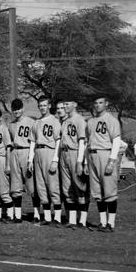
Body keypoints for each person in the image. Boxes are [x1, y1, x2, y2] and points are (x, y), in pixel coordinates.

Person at [85, 95, 122, 232]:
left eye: (101, 102)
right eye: (96, 103)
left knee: (109, 191)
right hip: (92, 155)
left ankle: (110, 223)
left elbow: (116, 141)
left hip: (105, 154)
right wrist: (85, 162)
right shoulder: (90, 122)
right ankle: (103, 222)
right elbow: (87, 142)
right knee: (97, 191)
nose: (98, 105)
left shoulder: (111, 120)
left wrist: (112, 162)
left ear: (106, 103)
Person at [28, 96, 62, 226]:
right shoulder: (36, 122)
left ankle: (57, 218)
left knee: (53, 186)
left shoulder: (55, 120)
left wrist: (55, 160)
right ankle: (47, 217)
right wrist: (30, 160)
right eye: (40, 105)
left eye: (44, 105)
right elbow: (32, 141)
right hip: (38, 152)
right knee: (41, 187)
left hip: (49, 151)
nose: (42, 107)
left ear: (49, 106)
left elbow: (58, 140)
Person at [60, 97, 88, 229]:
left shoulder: (80, 120)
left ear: (75, 104)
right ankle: (72, 220)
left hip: (75, 152)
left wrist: (79, 161)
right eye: (64, 103)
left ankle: (82, 220)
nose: (65, 105)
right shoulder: (65, 121)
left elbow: (82, 142)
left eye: (68, 103)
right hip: (64, 153)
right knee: (67, 188)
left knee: (79, 187)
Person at [8, 98, 36, 223]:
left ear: (22, 109)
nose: (16, 111)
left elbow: (34, 141)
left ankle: (36, 214)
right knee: (15, 186)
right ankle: (18, 215)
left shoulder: (31, 122)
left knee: (31, 185)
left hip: (26, 151)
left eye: (18, 108)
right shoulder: (11, 124)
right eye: (14, 109)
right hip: (15, 152)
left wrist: (31, 158)